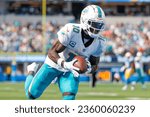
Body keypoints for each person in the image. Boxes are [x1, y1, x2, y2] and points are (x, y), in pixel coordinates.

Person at [25, 5, 107, 100]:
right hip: (54, 64)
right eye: (94, 24)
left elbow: (95, 65)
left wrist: (88, 69)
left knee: (70, 96)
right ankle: (31, 70)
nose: (96, 28)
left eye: (99, 25)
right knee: (31, 95)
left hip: (71, 70)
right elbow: (52, 52)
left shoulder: (100, 42)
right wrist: (64, 64)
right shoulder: (72, 30)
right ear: (84, 21)